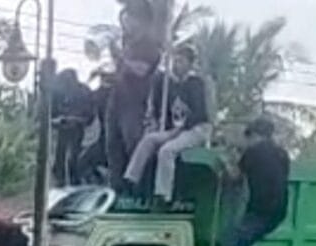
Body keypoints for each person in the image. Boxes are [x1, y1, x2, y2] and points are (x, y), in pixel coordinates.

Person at [122, 45, 213, 203]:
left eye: (180, 61)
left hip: (196, 128)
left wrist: (178, 130)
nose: (176, 64)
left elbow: (199, 113)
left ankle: (163, 194)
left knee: (167, 150)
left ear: (190, 64)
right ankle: (131, 179)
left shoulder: (196, 83)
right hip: (174, 130)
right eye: (175, 60)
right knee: (148, 140)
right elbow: (158, 108)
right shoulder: (166, 83)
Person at [220, 117, 291, 246]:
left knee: (232, 238)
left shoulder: (253, 152)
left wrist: (226, 161)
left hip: (260, 209)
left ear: (255, 135)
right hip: (279, 211)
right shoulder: (282, 154)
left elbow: (235, 178)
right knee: (243, 242)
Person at [106, 1, 163, 191]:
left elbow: (142, 70)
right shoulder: (127, 44)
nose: (127, 21)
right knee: (113, 148)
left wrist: (121, 58)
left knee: (133, 147)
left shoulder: (149, 45)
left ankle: (138, 192)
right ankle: (117, 191)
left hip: (136, 104)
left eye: (130, 17)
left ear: (141, 20)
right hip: (118, 101)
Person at [52, 69, 94, 187]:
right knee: (61, 155)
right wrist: (59, 120)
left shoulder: (84, 92)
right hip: (62, 129)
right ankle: (60, 180)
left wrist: (75, 119)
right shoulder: (57, 92)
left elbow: (90, 116)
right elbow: (50, 115)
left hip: (81, 131)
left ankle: (75, 180)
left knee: (74, 158)